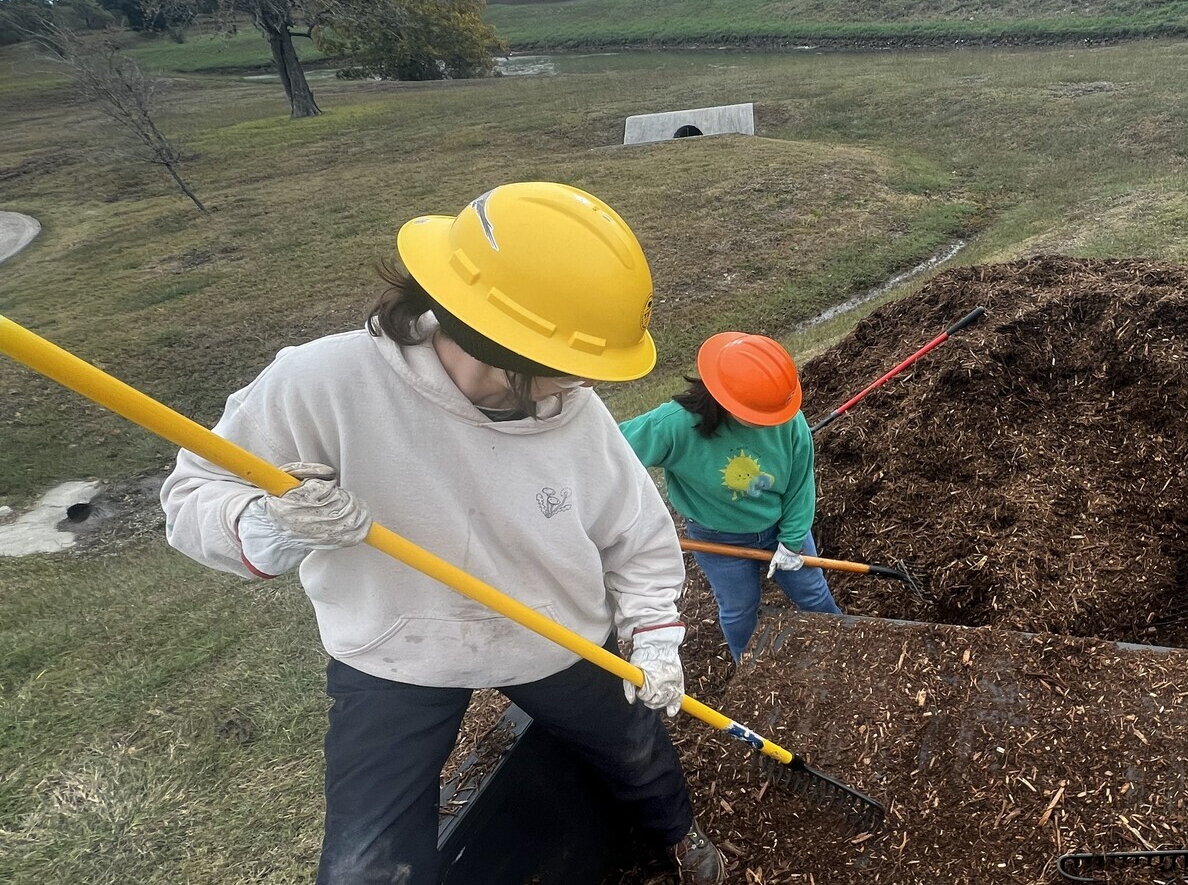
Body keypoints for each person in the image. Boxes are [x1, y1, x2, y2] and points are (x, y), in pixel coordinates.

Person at [159, 182, 725, 885]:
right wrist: (271, 525)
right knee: (366, 866)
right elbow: (191, 498)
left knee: (636, 753)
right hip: (397, 649)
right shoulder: (322, 382)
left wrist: (655, 632)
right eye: (572, 366)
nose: (584, 383)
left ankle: (676, 833)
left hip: (556, 635)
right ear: (504, 345)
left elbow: (634, 534)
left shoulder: (574, 414)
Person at [621, 332, 841, 662]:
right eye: (759, 417)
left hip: (779, 527)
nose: (771, 424)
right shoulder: (675, 425)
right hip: (718, 539)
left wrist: (793, 539)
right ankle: (747, 665)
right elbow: (608, 455)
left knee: (813, 592)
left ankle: (843, 644)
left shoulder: (788, 420)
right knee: (739, 609)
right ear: (724, 400)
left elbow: (800, 484)